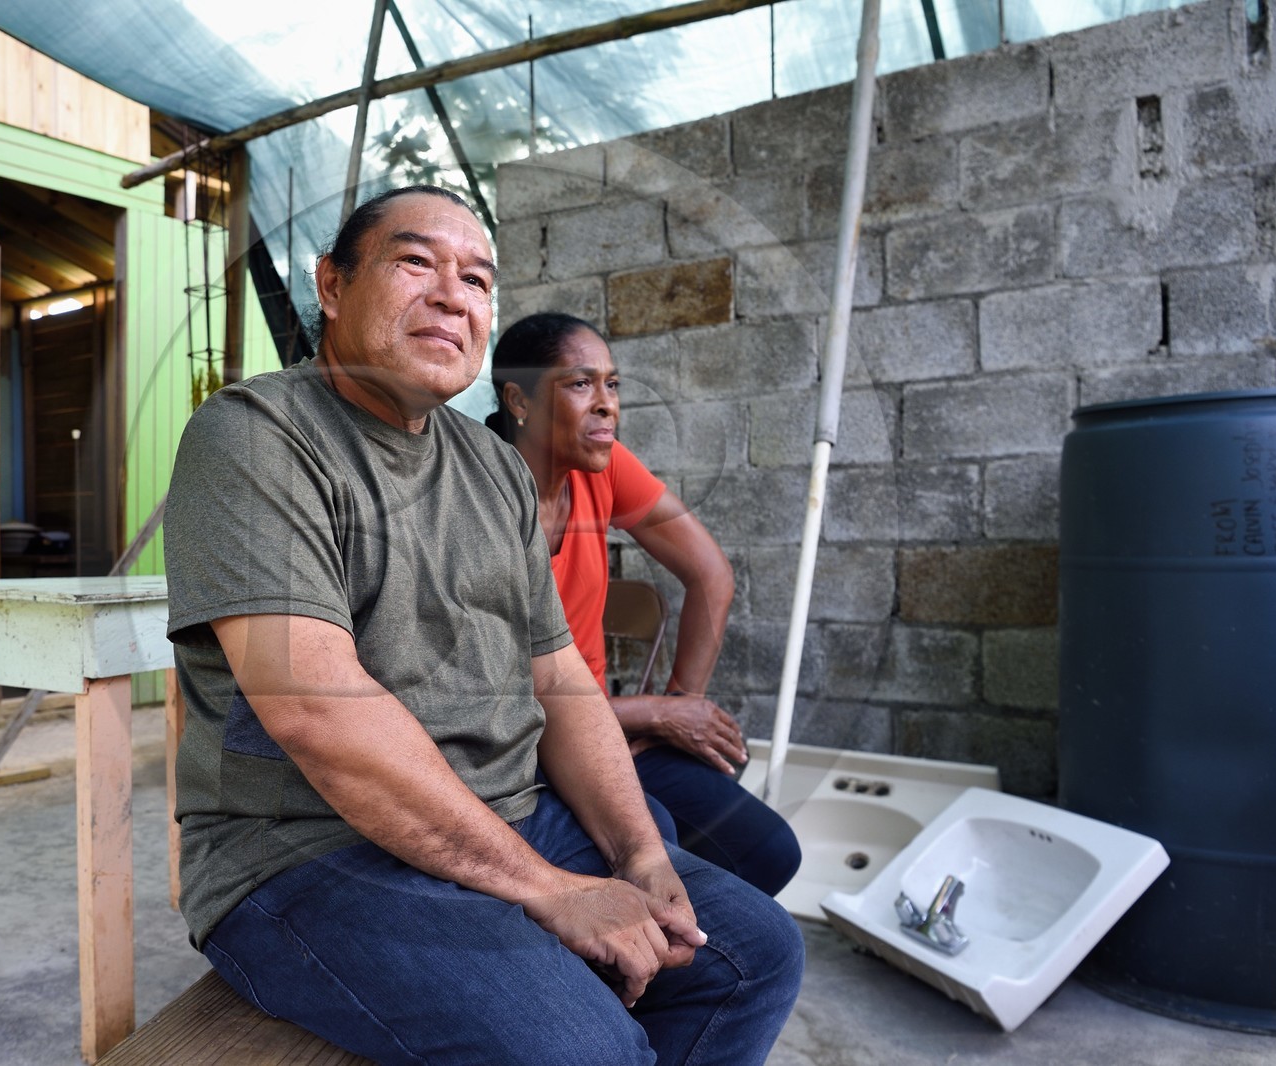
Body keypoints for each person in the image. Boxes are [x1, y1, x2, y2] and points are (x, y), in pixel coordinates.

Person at [163, 185, 803, 1065]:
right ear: (332, 285)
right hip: (309, 855)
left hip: (506, 814)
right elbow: (315, 706)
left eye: (476, 278)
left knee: (753, 955)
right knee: (587, 1050)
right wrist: (549, 890)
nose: (452, 294)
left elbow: (562, 679)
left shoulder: (490, 468)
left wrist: (641, 854)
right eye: (416, 261)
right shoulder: (256, 436)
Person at [485, 312, 801, 898]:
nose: (607, 404)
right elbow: (499, 697)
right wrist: (655, 713)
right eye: (581, 384)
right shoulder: (477, 499)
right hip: (519, 755)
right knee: (654, 847)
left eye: (613, 384)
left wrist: (684, 703)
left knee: (767, 852)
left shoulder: (598, 468)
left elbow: (710, 575)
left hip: (607, 734)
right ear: (518, 400)